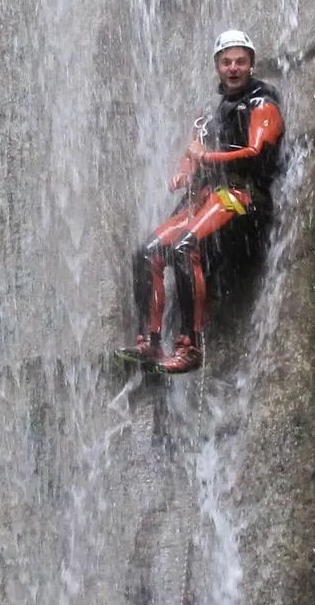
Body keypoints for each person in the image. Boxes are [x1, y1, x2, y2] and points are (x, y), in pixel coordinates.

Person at [117, 29, 285, 374]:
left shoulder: (262, 103)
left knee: (185, 247)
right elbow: (192, 152)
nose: (233, 68)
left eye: (240, 61)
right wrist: (184, 171)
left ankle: (189, 346)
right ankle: (148, 341)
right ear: (217, 66)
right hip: (209, 195)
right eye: (227, 62)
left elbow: (254, 152)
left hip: (242, 195)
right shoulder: (209, 111)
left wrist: (205, 158)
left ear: (251, 64)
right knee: (147, 253)